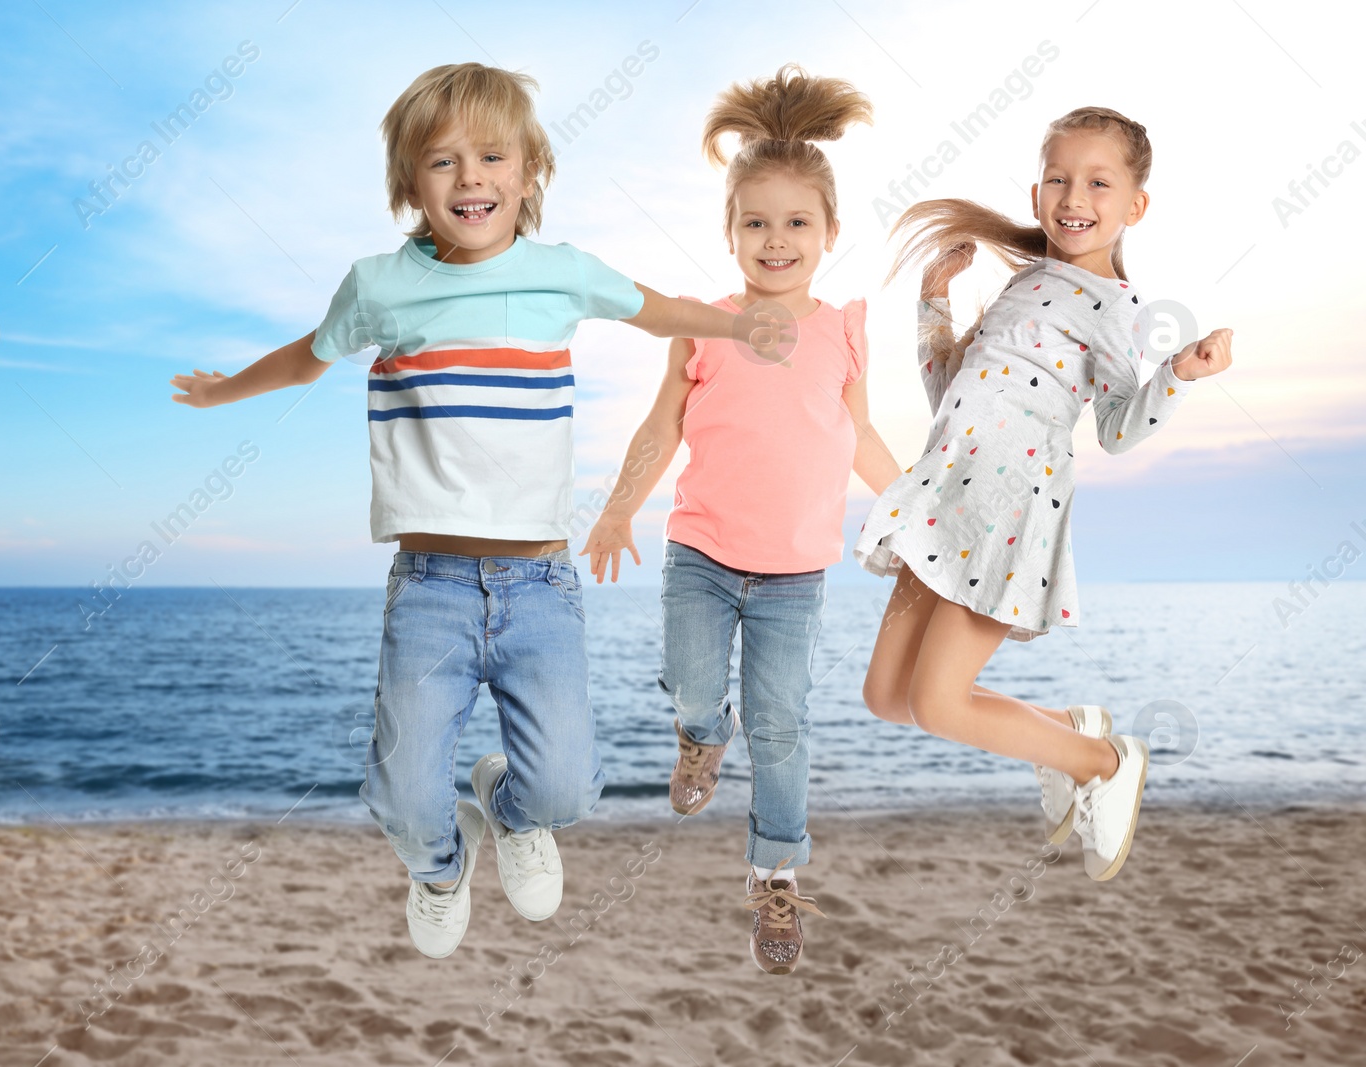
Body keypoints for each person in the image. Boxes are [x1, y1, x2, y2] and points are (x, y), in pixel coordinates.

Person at [170, 62, 778, 959]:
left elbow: (660, 313)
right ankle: (441, 866)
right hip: (430, 587)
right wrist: (226, 393)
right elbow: (307, 356)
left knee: (567, 790)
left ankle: (509, 807)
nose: (471, 179)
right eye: (442, 161)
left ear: (529, 173)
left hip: (541, 582)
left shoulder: (562, 275)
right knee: (403, 797)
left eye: (492, 156)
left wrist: (740, 326)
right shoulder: (380, 286)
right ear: (408, 183)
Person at [854, 106, 1234, 882]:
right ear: (1035, 195)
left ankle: (1102, 759)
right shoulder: (1026, 282)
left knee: (940, 703)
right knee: (888, 696)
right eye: (1059, 178)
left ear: (1135, 205)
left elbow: (1120, 428)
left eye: (1098, 181)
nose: (1074, 195)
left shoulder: (1115, 307)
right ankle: (1070, 726)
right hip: (941, 499)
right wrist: (934, 304)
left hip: (1005, 515)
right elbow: (951, 393)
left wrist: (1177, 376)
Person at [582, 66, 900, 974]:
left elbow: (861, 434)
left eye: (797, 221)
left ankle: (776, 877)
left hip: (796, 576)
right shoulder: (703, 325)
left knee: (784, 724)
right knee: (693, 684)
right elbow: (662, 425)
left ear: (829, 233)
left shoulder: (843, 330)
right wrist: (615, 513)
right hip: (703, 555)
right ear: (730, 232)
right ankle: (697, 734)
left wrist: (915, 501)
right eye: (755, 221)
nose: (776, 238)